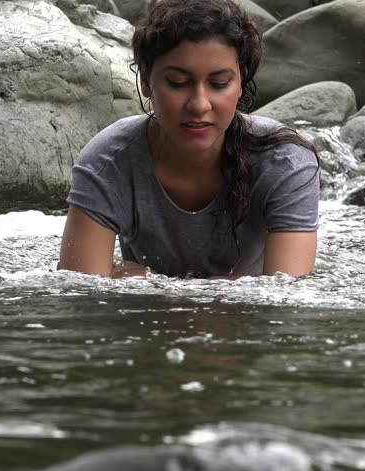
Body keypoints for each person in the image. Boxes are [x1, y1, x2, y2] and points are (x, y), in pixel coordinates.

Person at [58, 0, 320, 279]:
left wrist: (143, 280)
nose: (199, 104)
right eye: (178, 83)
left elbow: (288, 301)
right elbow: (81, 294)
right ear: (146, 80)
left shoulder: (284, 163)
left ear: (241, 82)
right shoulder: (107, 163)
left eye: (219, 84)